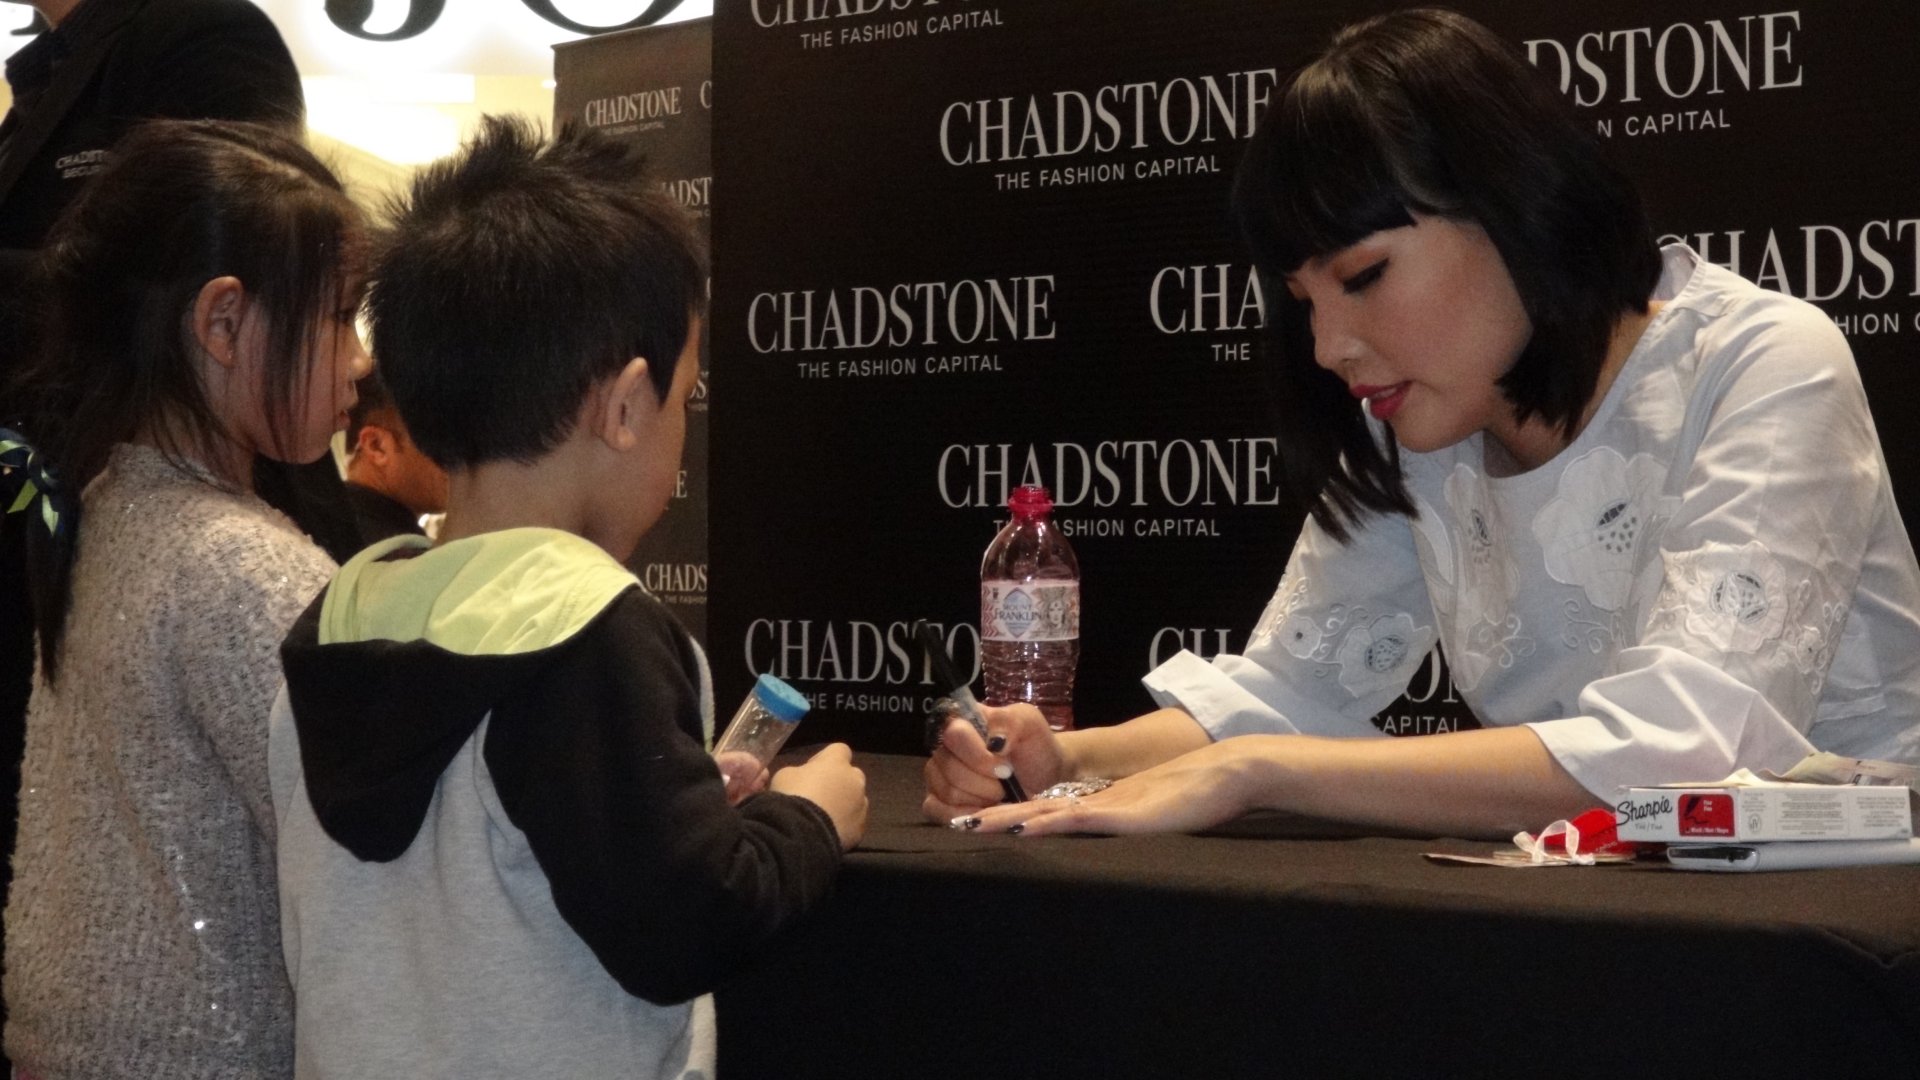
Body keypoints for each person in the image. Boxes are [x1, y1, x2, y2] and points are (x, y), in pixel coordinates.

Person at [926, 8, 1920, 840]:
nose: (1329, 347)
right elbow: (1293, 690)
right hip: (1608, 909)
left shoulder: (1761, 362)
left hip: (1851, 921)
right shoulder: (1417, 420)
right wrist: (1066, 760)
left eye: (1363, 277)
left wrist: (1260, 770)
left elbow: (1687, 751)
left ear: (1511, 201)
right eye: (1305, 303)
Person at [269, 116, 867, 1080]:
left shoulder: (343, 613)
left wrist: (680, 799)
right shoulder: (588, 626)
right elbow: (687, 922)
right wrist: (807, 819)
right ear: (626, 406)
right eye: (684, 399)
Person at [0, 120, 367, 1078]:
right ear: (222, 323)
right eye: (339, 316)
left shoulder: (106, 508)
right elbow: (377, 862)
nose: (361, 358)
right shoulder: (241, 569)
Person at [338, 369, 449, 549]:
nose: (461, 456)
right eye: (442, 438)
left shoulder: (333, 519)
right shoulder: (391, 552)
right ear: (376, 446)